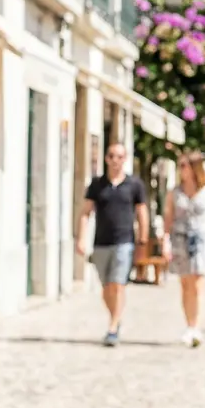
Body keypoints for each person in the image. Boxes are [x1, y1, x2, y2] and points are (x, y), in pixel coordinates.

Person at [76, 143, 148, 347]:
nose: (115, 160)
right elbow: (85, 212)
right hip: (100, 242)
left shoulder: (134, 185)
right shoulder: (97, 185)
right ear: (106, 159)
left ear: (125, 159)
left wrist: (143, 238)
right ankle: (116, 316)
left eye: (119, 157)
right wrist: (81, 238)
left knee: (118, 285)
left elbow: (142, 212)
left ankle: (113, 327)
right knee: (106, 288)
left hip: (124, 242)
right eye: (111, 156)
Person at [162, 152, 205, 347]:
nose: (181, 169)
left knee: (198, 282)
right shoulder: (174, 192)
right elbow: (168, 219)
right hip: (180, 240)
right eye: (180, 165)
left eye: (184, 165)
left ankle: (196, 327)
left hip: (202, 240)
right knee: (185, 284)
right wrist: (165, 241)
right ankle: (189, 324)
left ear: (194, 167)